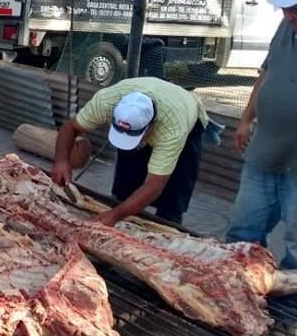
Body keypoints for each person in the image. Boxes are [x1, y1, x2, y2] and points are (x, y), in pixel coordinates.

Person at [53, 76, 208, 226]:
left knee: (173, 196)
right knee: (125, 183)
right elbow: (70, 127)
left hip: (182, 114)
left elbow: (154, 185)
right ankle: (120, 210)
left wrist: (115, 216)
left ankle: (167, 228)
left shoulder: (172, 130)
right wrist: (61, 161)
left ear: (151, 125)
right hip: (154, 100)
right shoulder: (106, 102)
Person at [226, 0, 297, 269]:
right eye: (286, 7)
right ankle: (240, 289)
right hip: (265, 154)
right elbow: (266, 74)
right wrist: (245, 119)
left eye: (295, 8)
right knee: (242, 234)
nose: (289, 14)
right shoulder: (286, 26)